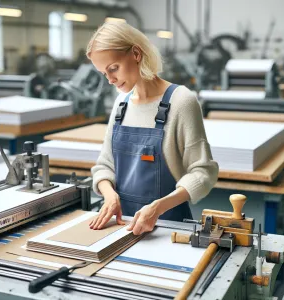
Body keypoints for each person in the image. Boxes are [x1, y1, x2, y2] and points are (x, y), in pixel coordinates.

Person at [86, 22, 219, 236]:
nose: (110, 79)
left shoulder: (182, 101)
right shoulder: (122, 104)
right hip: (123, 227)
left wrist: (157, 208)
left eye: (113, 68)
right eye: (104, 73)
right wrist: (109, 195)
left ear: (136, 54)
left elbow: (203, 172)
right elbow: (104, 166)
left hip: (170, 229)